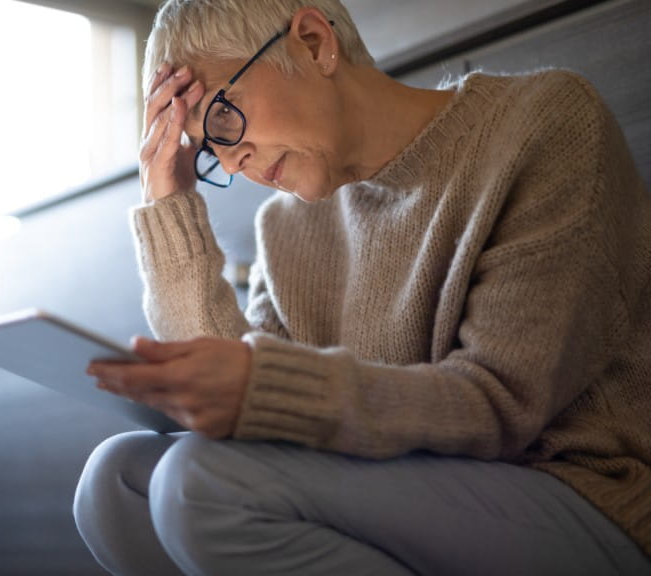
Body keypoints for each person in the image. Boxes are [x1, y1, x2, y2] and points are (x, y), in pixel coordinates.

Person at [73, 0, 651, 574]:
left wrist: (264, 387)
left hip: (578, 493)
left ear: (315, 42)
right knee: (116, 481)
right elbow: (244, 427)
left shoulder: (543, 124)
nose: (234, 158)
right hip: (404, 489)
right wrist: (169, 205)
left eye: (223, 114)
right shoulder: (285, 227)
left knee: (198, 481)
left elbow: (499, 405)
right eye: (207, 149)